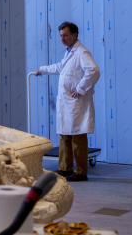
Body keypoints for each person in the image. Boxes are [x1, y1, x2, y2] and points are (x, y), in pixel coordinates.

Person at [34, 21, 100, 182]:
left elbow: (94, 71)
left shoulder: (81, 52)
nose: (62, 38)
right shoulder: (69, 52)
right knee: (65, 135)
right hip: (67, 102)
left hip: (76, 103)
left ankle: (81, 172)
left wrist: (80, 89)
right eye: (61, 36)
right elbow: (60, 68)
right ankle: (64, 168)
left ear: (75, 35)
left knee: (77, 136)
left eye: (66, 35)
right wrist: (42, 70)